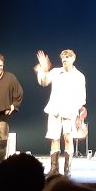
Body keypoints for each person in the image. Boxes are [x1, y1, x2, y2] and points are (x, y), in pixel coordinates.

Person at [35, 49, 86, 178]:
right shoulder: (56, 72)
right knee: (54, 138)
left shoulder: (79, 76)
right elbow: (43, 82)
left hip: (69, 111)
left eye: (67, 57)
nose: (64, 60)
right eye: (63, 58)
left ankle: (67, 169)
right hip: (55, 110)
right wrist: (42, 69)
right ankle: (54, 168)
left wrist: (77, 111)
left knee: (68, 138)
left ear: (73, 59)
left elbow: (82, 96)